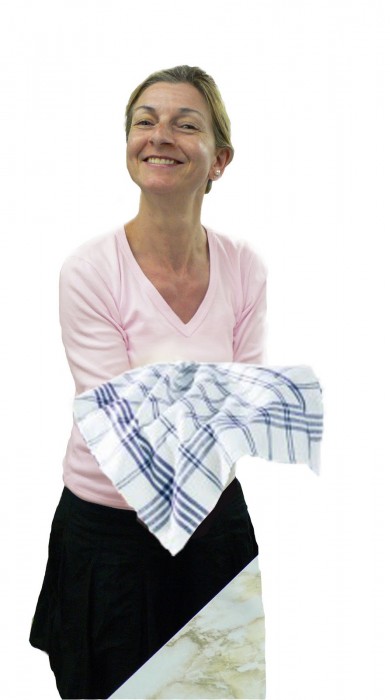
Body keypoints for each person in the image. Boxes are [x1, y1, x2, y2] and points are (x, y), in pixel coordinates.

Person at [29, 65, 267, 699]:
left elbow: (246, 416)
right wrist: (214, 401)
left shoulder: (244, 267)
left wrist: (178, 400)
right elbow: (121, 430)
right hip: (112, 542)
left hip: (215, 530)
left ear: (219, 159)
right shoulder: (90, 271)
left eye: (185, 124)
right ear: (130, 145)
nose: (160, 135)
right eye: (145, 121)